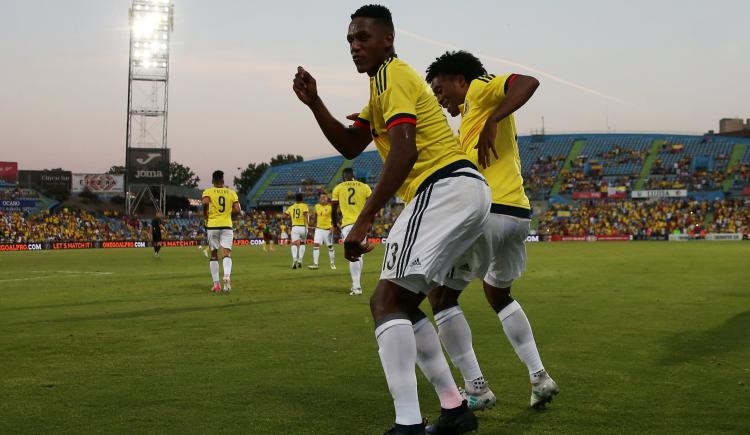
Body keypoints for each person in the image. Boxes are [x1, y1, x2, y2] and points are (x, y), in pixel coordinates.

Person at [293, 5, 490, 434]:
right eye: (349, 39)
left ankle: (408, 424)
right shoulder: (380, 90)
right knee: (402, 304)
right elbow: (349, 144)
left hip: (443, 187)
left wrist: (363, 220)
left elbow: (405, 151)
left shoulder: (394, 75)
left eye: (363, 37)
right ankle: (455, 410)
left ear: (388, 39)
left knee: (383, 303)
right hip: (462, 191)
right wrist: (315, 103)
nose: (354, 46)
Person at [427, 50, 559, 409]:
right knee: (498, 294)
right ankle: (539, 377)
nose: (440, 100)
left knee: (440, 298)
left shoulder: (479, 91)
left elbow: (527, 82)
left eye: (441, 90)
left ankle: (477, 388)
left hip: (487, 212)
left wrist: (494, 119)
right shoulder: (467, 119)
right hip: (515, 214)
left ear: (460, 80)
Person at [331, 167, 372, 293]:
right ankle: (357, 284)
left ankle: (356, 286)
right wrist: (370, 222)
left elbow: (333, 209)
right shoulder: (364, 187)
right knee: (360, 254)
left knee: (353, 255)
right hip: (362, 224)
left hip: (348, 224)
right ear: (354, 175)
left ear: (343, 177)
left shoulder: (338, 188)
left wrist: (334, 225)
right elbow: (372, 205)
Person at [202, 170, 241, 293]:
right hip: (227, 226)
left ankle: (216, 285)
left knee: (214, 255)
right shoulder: (231, 192)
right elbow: (238, 209)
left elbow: (205, 202)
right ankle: (227, 277)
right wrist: (230, 215)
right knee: (226, 253)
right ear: (223, 181)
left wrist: (205, 214)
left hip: (212, 225)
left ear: (213, 181)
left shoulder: (208, 191)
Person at [309, 193, 336, 270]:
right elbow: (315, 216)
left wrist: (334, 226)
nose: (322, 199)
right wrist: (312, 224)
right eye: (321, 197)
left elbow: (335, 217)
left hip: (328, 229)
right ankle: (315, 264)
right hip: (318, 229)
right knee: (316, 245)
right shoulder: (317, 206)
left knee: (330, 247)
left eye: (324, 197)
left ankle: (332, 263)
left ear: (327, 198)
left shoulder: (330, 207)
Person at [285, 193, 309, 269]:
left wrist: (291, 218)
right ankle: (300, 260)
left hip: (295, 227)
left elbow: (285, 215)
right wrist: (308, 224)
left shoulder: (291, 207)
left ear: (295, 199)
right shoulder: (304, 206)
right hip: (303, 227)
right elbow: (306, 215)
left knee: (294, 244)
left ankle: (294, 259)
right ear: (302, 199)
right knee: (302, 243)